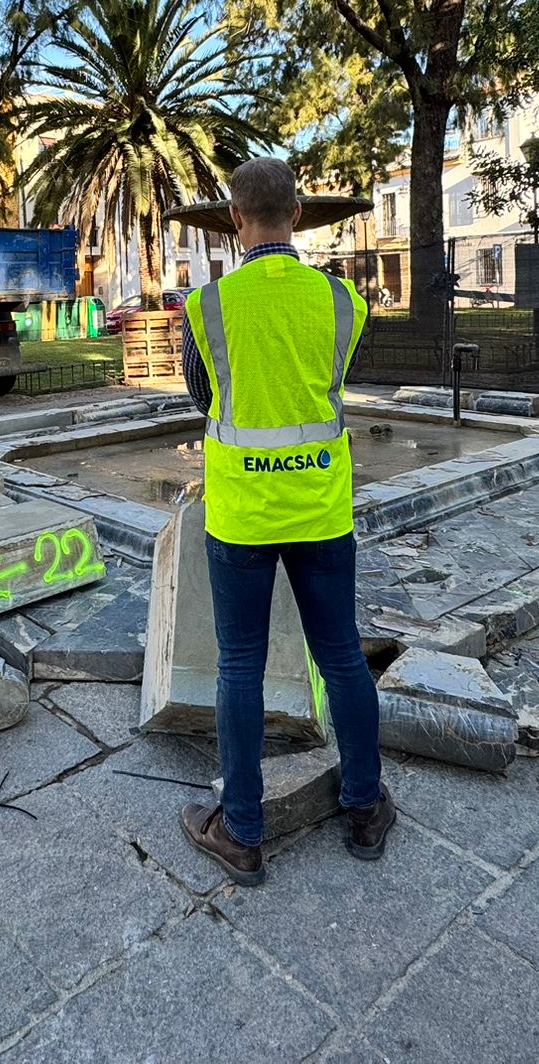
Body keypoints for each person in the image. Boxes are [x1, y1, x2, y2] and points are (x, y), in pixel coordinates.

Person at [177, 157, 390, 885]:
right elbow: (331, 383)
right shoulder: (341, 301)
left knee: (239, 664)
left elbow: (204, 396)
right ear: (297, 213)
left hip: (240, 514)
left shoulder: (206, 305)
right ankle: (364, 807)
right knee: (340, 657)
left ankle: (241, 830)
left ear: (235, 220)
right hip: (322, 510)